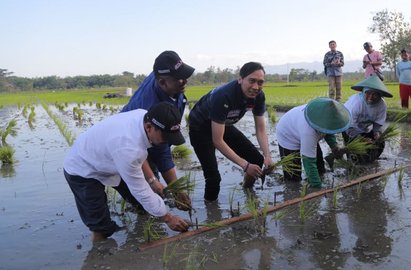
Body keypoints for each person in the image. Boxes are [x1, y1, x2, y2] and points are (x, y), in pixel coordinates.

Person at [64, 102, 190, 241]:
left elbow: (137, 155)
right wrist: (168, 218)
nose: (167, 142)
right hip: (83, 169)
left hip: (110, 159)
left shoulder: (143, 116)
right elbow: (140, 189)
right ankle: (100, 257)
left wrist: (152, 180)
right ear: (149, 127)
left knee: (142, 205)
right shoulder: (128, 148)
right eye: (165, 137)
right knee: (101, 227)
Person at [188, 62, 273, 202]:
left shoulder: (259, 96)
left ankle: (247, 190)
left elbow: (260, 128)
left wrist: (268, 155)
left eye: (260, 82)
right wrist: (245, 166)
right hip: (201, 128)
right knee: (213, 178)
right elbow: (218, 141)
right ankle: (211, 212)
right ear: (240, 79)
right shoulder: (224, 96)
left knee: (257, 159)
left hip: (222, 124)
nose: (255, 87)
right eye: (251, 81)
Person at [121, 50, 195, 208]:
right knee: (149, 195)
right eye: (179, 78)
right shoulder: (151, 110)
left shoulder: (162, 76)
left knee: (153, 190)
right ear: (161, 82)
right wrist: (176, 190)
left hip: (147, 137)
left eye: (184, 75)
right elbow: (160, 151)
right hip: (128, 144)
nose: (184, 81)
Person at [276, 97, 350, 188]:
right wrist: (317, 187)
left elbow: (329, 130)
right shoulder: (308, 132)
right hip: (288, 134)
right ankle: (293, 188)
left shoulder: (325, 117)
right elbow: (308, 161)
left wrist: (334, 146)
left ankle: (318, 176)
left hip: (302, 127)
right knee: (293, 176)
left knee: (320, 167)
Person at [344, 75, 393, 163]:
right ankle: (352, 164)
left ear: (380, 96)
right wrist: (360, 138)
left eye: (375, 94)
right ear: (364, 92)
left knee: (378, 142)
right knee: (354, 150)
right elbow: (349, 126)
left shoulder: (381, 105)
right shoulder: (356, 103)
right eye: (368, 93)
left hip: (365, 127)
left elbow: (378, 122)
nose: (371, 97)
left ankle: (369, 162)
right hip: (348, 127)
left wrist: (376, 133)